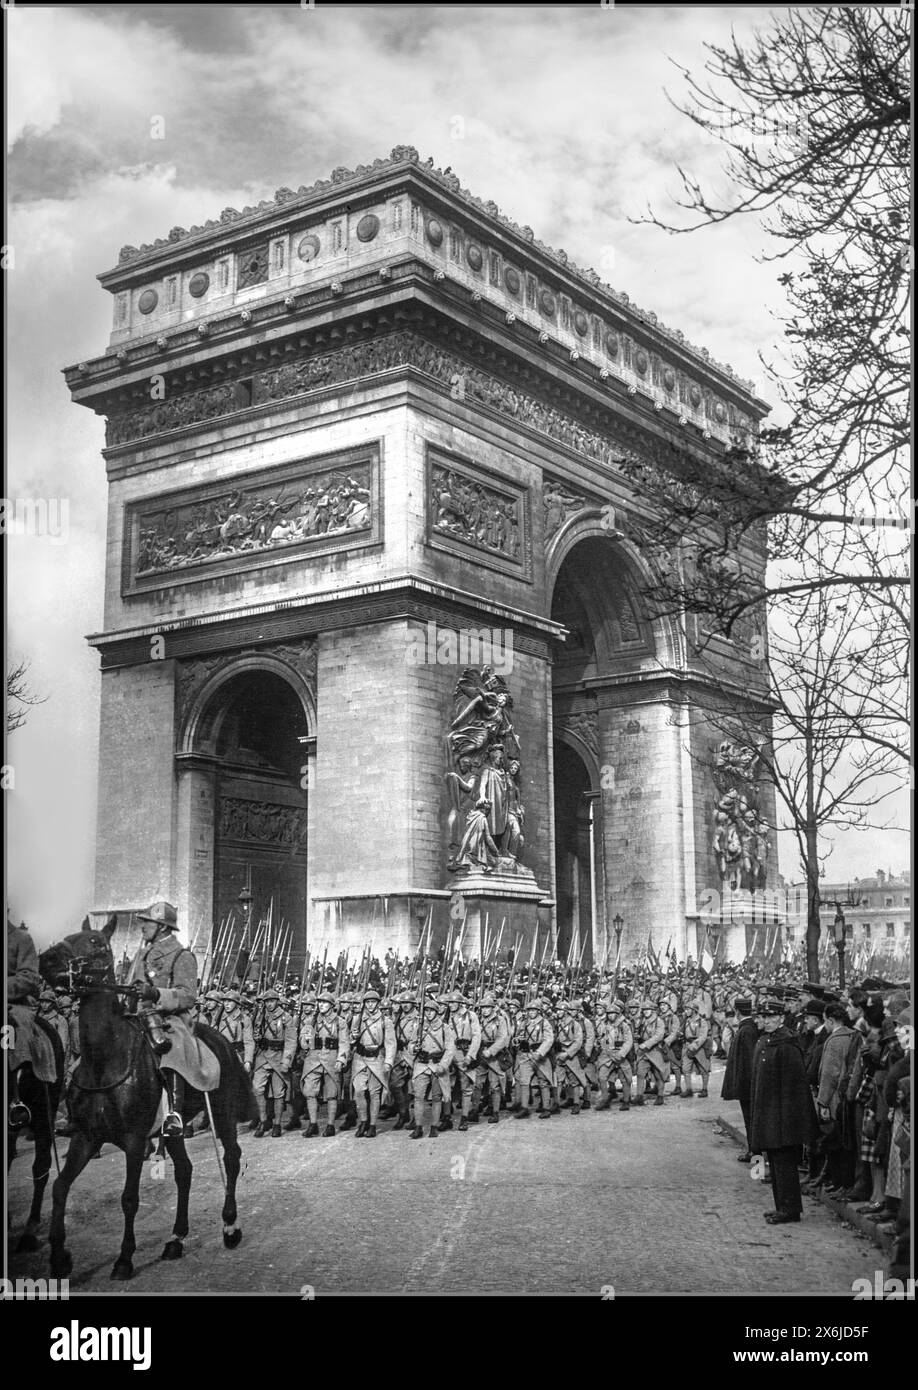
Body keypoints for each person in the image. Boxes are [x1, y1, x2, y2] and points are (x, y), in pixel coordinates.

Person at [130, 900, 197, 1138]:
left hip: (170, 1018)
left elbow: (188, 996)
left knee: (172, 1047)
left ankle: (174, 1114)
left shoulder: (182, 955)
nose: (142, 927)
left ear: (162, 926)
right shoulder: (142, 953)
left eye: (147, 922)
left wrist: (157, 993)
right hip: (139, 1014)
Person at [749, 999, 819, 1225]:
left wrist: (789, 1120)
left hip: (782, 1116)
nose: (767, 1021)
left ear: (780, 1018)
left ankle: (790, 1209)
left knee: (784, 1163)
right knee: (774, 1162)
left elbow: (794, 1087)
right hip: (767, 1113)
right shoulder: (765, 1041)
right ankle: (781, 1205)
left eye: (771, 1017)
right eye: (764, 1017)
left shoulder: (787, 1044)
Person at [816, 1002, 862, 1195]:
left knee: (835, 1141)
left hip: (835, 1098)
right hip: (846, 1096)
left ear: (830, 1020)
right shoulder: (853, 1035)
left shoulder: (835, 1040)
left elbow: (829, 1074)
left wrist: (823, 1101)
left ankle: (839, 1182)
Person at [300, 989, 349, 1137]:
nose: (321, 1005)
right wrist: (306, 1039)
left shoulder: (340, 1022)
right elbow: (302, 1044)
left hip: (331, 1059)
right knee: (309, 1092)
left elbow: (344, 1042)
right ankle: (313, 1124)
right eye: (320, 1002)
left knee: (332, 1094)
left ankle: (330, 1125)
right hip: (313, 1059)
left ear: (332, 1005)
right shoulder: (311, 1021)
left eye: (325, 1002)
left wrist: (341, 1059)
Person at [349, 989, 396, 1138]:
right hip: (360, 1059)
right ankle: (363, 1121)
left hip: (376, 1059)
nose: (370, 1005)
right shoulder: (358, 1019)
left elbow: (390, 1043)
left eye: (373, 1002)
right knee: (359, 1091)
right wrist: (353, 1036)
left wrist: (388, 1061)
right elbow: (350, 1039)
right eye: (368, 1002)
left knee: (374, 1093)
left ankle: (373, 1124)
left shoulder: (385, 1021)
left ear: (378, 1004)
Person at [251, 988, 297, 1137]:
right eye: (267, 1002)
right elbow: (255, 1034)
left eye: (272, 1001)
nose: (269, 1004)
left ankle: (277, 1123)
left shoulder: (286, 1018)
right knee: (257, 1088)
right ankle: (264, 1121)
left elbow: (291, 1041)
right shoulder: (260, 1016)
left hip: (278, 1057)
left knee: (278, 1093)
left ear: (277, 1001)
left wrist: (286, 1061)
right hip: (263, 1056)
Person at [410, 992, 456, 1138]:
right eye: (426, 1011)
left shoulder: (445, 1028)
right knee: (418, 1096)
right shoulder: (419, 1026)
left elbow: (450, 1049)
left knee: (436, 1097)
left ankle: (434, 1126)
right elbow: (411, 1044)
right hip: (422, 1065)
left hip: (437, 1065)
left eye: (431, 1011)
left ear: (437, 1012)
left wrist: (444, 1064)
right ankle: (418, 1126)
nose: (428, 1014)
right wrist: (414, 1049)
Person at [721, 997, 758, 1161]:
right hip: (747, 1083)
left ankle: (754, 1151)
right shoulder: (747, 1028)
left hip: (747, 1083)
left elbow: (749, 1059)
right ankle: (753, 1149)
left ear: (737, 1011)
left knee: (750, 1118)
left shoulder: (746, 1030)